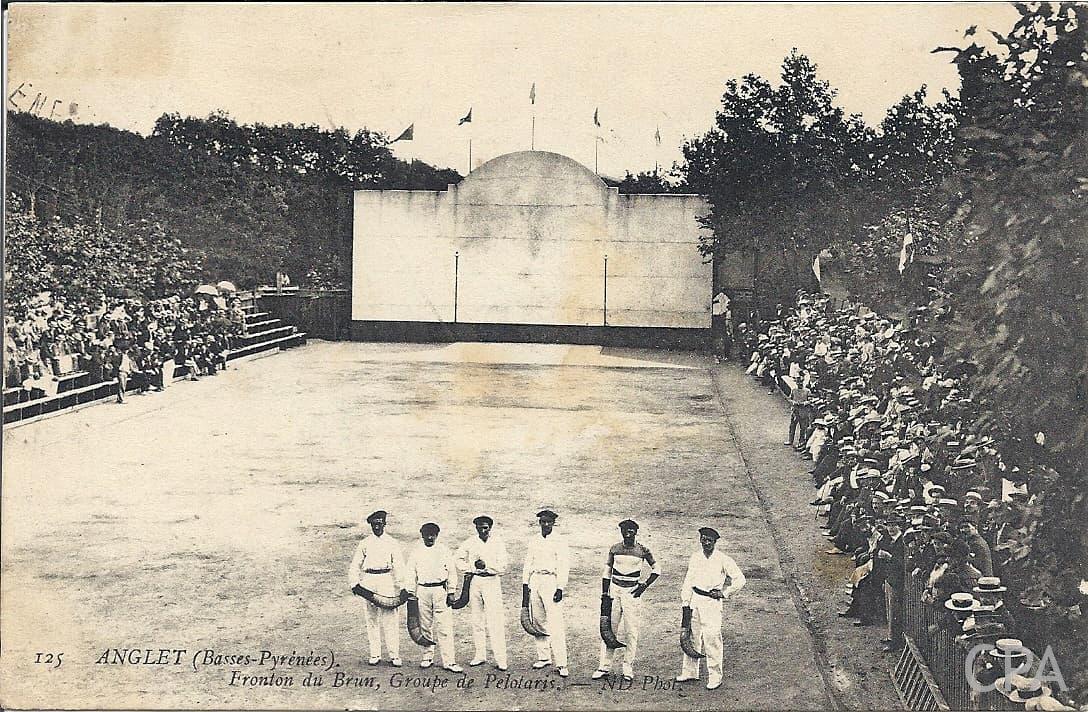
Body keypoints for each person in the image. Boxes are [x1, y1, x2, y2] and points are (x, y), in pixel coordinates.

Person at [677, 526, 746, 690]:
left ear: (715, 542)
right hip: (695, 599)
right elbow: (688, 580)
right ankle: (690, 672)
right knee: (692, 636)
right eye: (703, 539)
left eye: (709, 540)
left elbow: (740, 579)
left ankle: (715, 676)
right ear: (700, 539)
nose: (706, 542)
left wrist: (725, 593)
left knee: (712, 637)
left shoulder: (723, 559)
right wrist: (685, 601)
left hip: (712, 603)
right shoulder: (695, 557)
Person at [592, 519, 660, 682]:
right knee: (609, 629)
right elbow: (607, 571)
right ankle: (604, 667)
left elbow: (657, 569)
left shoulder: (643, 550)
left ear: (636, 532)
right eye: (624, 530)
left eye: (631, 530)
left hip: (632, 593)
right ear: (621, 531)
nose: (627, 533)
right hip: (615, 592)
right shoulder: (614, 549)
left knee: (631, 631)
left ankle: (627, 668)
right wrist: (604, 593)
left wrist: (644, 585)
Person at [348, 510, 406, 667]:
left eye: (379, 524)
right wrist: (355, 583)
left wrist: (403, 587)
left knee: (390, 618)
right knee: (371, 619)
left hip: (386, 579)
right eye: (374, 525)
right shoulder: (365, 543)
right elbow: (355, 565)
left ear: (384, 524)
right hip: (369, 580)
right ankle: (375, 654)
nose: (377, 527)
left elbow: (399, 566)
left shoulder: (392, 543)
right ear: (371, 526)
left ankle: (394, 655)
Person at [405, 523, 462, 672]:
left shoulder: (444, 551)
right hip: (423, 590)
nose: (430, 537)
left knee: (444, 626)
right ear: (422, 535)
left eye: (433, 534)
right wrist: (411, 591)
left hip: (440, 591)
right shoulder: (416, 552)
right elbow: (411, 573)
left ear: (437, 535)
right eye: (427, 534)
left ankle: (449, 661)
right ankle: (427, 657)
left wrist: (451, 591)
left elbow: (452, 573)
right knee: (425, 625)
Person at [456, 515, 509, 671]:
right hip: (476, 581)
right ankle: (480, 655)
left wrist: (487, 566)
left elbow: (503, 566)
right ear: (476, 528)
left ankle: (501, 659)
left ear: (490, 528)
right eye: (479, 527)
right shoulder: (470, 542)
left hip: (492, 582)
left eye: (485, 527)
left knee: (495, 620)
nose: (482, 530)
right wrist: (472, 568)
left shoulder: (497, 542)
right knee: (477, 619)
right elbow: (458, 558)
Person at [522, 509, 570, 677]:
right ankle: (544, 657)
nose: (545, 524)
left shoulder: (559, 541)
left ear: (553, 523)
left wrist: (560, 587)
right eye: (543, 521)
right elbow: (528, 562)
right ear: (539, 522)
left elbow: (564, 565)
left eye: (548, 521)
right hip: (535, 580)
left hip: (551, 581)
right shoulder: (534, 540)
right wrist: (525, 584)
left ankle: (562, 663)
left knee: (555, 622)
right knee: (539, 621)